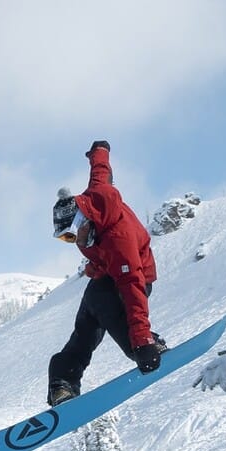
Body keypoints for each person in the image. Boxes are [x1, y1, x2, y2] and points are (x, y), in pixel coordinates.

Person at [47, 140, 163, 406]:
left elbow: (133, 287)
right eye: (64, 239)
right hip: (107, 274)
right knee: (87, 320)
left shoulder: (118, 239)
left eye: (72, 235)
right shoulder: (93, 201)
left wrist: (142, 340)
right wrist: (100, 150)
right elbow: (101, 172)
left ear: (83, 221)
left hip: (137, 277)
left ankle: (146, 345)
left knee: (103, 303)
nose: (73, 242)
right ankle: (63, 382)